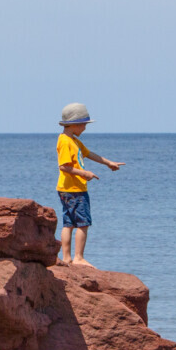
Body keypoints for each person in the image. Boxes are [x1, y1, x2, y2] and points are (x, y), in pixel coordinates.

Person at [55, 102, 124, 267]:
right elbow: (64, 166)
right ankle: (77, 257)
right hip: (74, 189)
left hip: (68, 189)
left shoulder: (74, 141)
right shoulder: (65, 141)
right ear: (75, 124)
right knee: (82, 223)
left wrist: (108, 163)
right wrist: (84, 174)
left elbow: (89, 154)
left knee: (69, 223)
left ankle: (67, 258)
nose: (85, 128)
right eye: (84, 125)